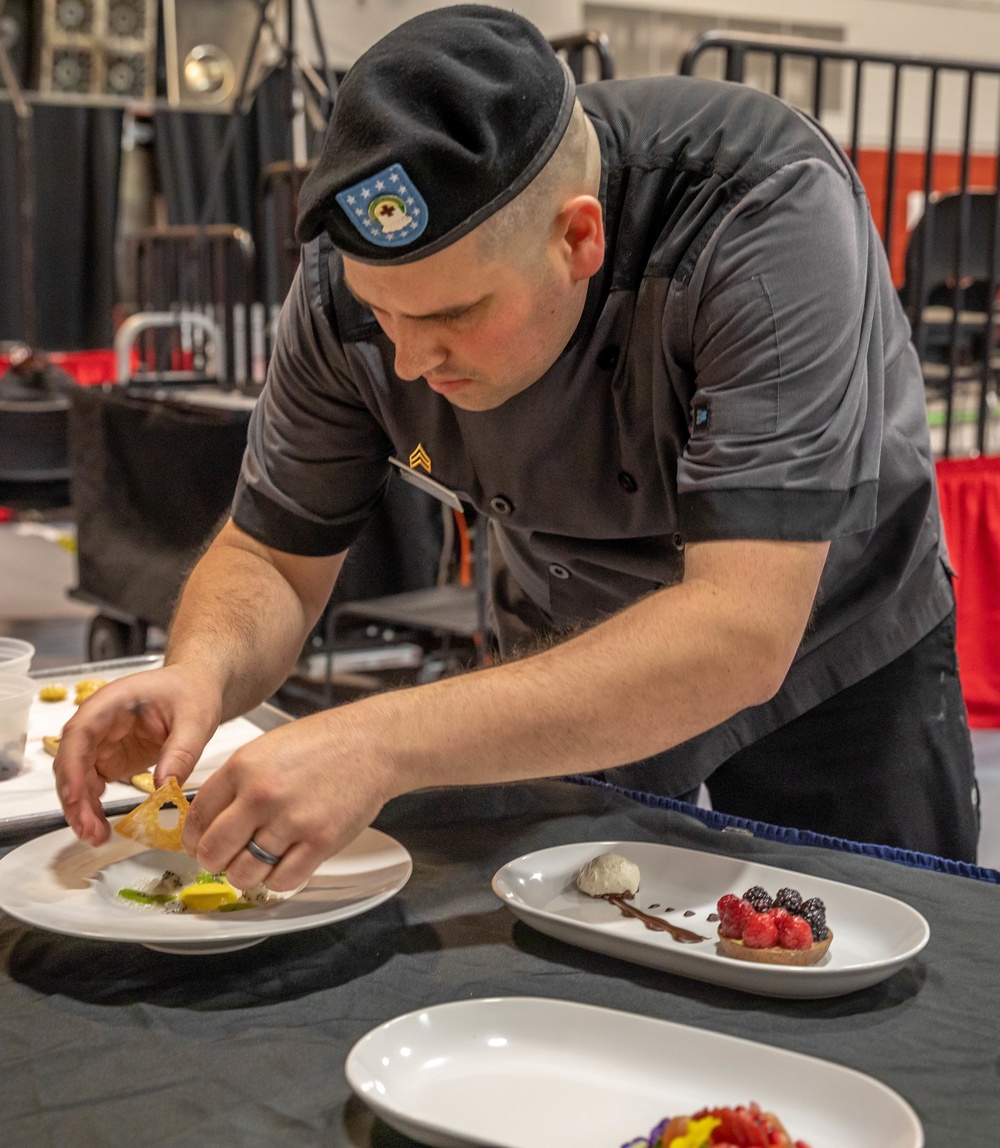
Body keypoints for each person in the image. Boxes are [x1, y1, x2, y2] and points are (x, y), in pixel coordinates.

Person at [54, 6, 980, 888]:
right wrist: (199, 672)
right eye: (385, 315)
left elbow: (738, 632)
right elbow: (273, 555)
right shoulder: (346, 286)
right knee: (557, 964)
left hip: (834, 643)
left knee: (857, 969)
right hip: (570, 636)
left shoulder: (759, 211)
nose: (409, 361)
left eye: (453, 315)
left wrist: (378, 740)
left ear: (579, 237)